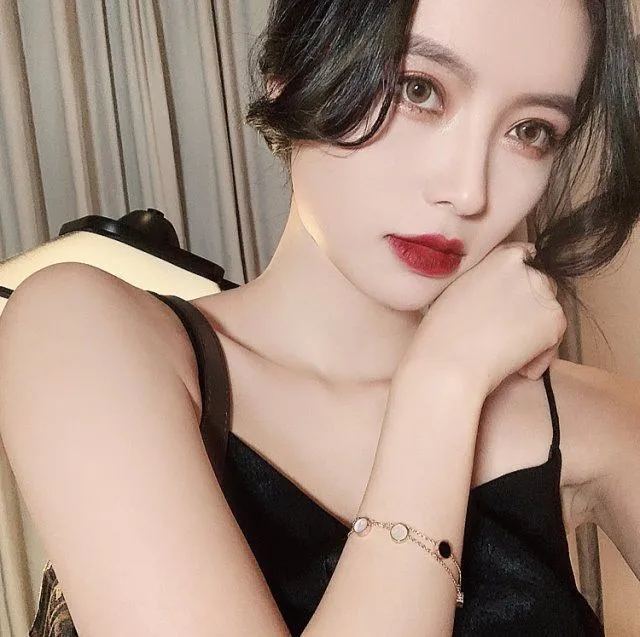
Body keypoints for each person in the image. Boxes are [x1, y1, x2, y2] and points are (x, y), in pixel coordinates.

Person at [1, 0, 640, 634]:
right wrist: (441, 389)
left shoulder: (595, 422)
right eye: (418, 90)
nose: (468, 191)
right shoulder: (82, 334)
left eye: (531, 131)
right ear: (292, 74)